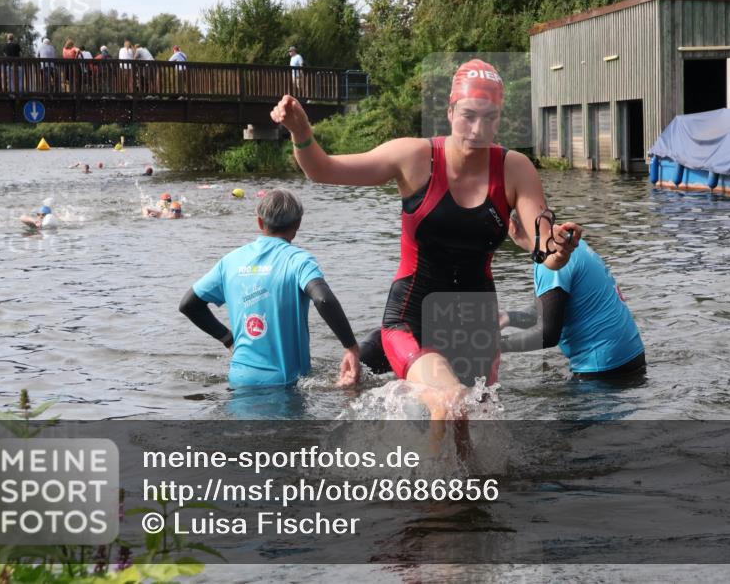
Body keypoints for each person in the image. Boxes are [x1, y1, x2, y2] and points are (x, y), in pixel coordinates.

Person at [271, 59, 581, 420]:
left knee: (476, 424)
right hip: (412, 316)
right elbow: (323, 170)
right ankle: (426, 476)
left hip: (475, 322)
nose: (478, 128)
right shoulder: (414, 157)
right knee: (449, 402)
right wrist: (301, 132)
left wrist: (560, 247)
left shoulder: (515, 169)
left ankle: (475, 478)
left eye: (489, 117)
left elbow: (545, 252)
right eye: (468, 115)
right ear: (450, 111)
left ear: (500, 119)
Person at [179, 188, 361, 387]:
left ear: (259, 222)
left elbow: (189, 305)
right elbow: (323, 299)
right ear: (298, 223)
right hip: (285, 384)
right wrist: (350, 347)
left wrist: (228, 339)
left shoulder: (230, 261)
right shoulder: (299, 260)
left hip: (239, 379)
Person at [498, 213, 645, 380]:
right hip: (632, 357)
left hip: (603, 369)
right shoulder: (568, 244)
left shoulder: (550, 259)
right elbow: (550, 311)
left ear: (511, 225)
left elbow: (548, 334)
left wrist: (496, 345)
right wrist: (508, 317)